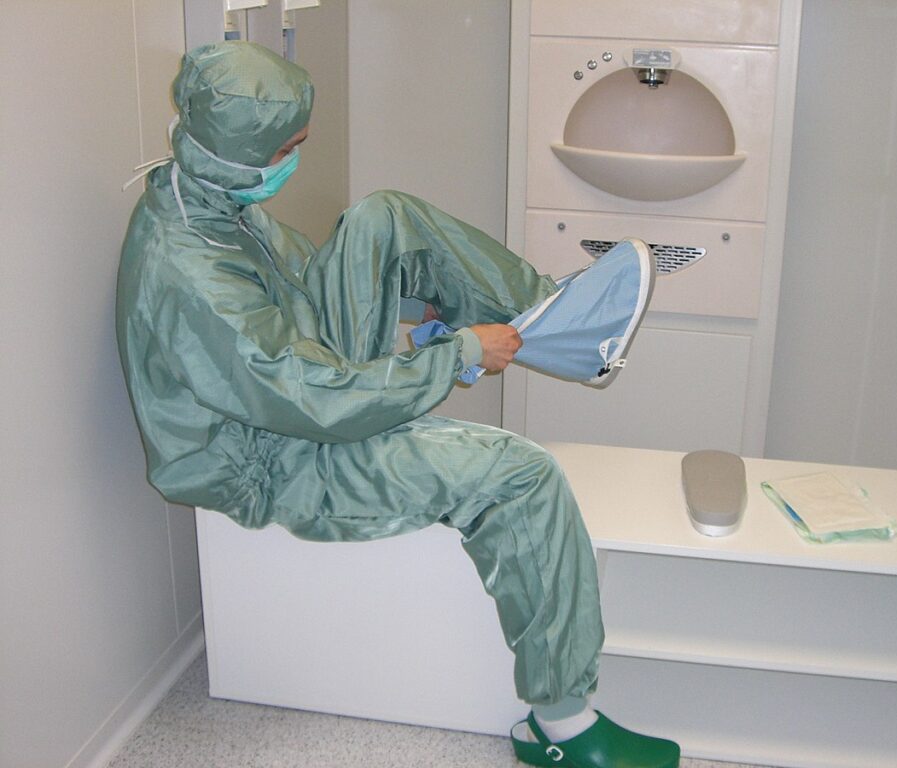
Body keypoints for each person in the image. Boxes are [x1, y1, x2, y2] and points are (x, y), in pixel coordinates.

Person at [116, 41, 680, 768]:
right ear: (244, 154)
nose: (296, 160)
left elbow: (289, 323)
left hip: (285, 386)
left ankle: (557, 321)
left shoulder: (208, 192)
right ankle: (568, 726)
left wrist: (419, 336)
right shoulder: (191, 272)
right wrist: (457, 355)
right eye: (289, 148)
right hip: (270, 455)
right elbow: (311, 401)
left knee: (384, 218)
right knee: (520, 474)